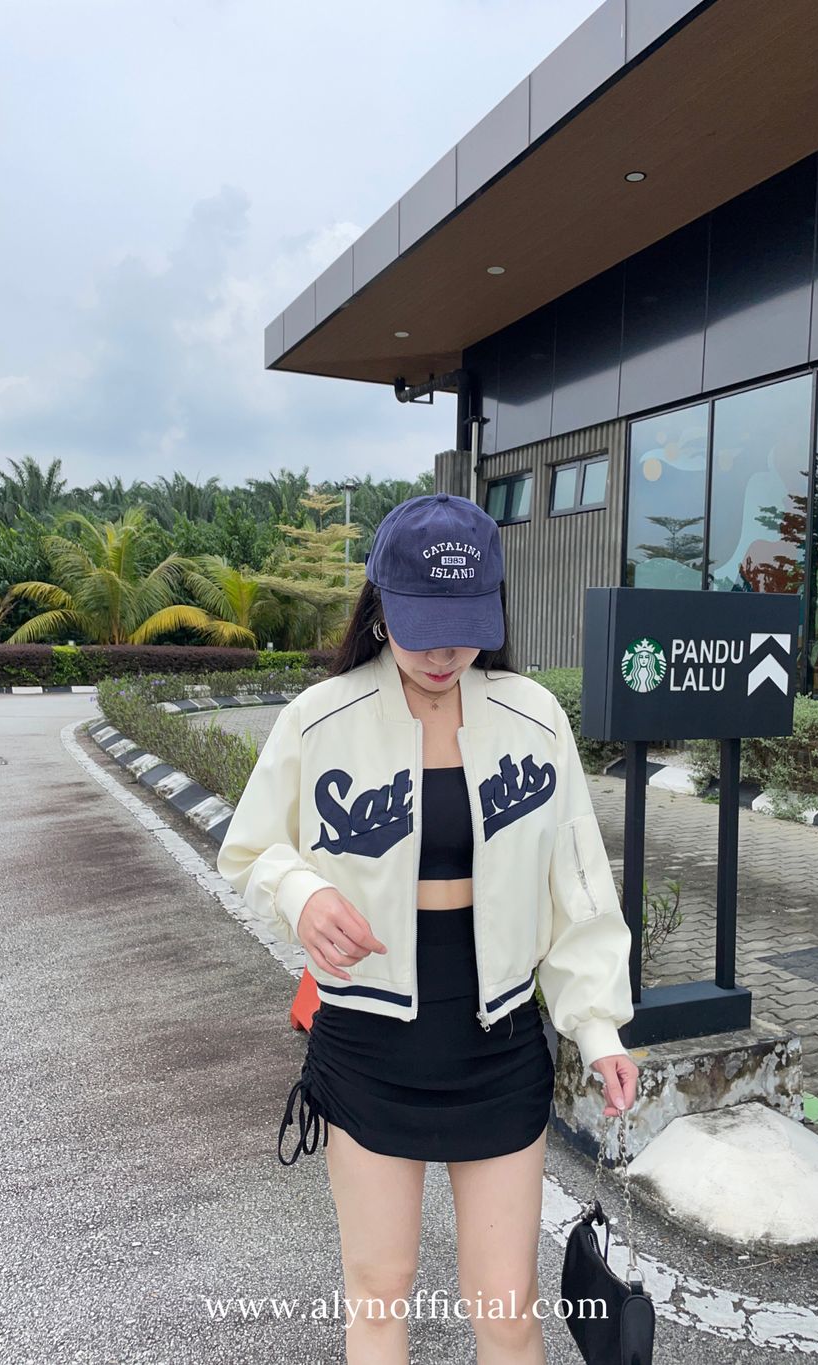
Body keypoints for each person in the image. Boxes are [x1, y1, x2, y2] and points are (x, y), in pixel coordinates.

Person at [216, 492, 639, 1364]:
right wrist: (302, 893)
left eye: (464, 628)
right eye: (423, 629)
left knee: (508, 1308)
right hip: (368, 1042)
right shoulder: (319, 719)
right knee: (378, 1295)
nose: (445, 653)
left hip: (498, 1042)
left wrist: (598, 1027)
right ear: (380, 604)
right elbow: (251, 849)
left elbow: (577, 883)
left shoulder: (534, 717)